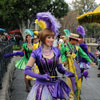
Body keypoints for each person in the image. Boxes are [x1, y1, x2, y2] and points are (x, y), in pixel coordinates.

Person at [60, 31, 95, 100]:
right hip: (69, 69)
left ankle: (78, 96)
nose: (77, 41)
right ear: (72, 40)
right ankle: (71, 98)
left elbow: (84, 54)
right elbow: (62, 54)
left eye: (77, 40)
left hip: (77, 68)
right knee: (70, 85)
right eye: (75, 40)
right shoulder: (64, 46)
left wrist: (90, 61)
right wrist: (64, 60)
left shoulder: (77, 47)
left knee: (78, 85)